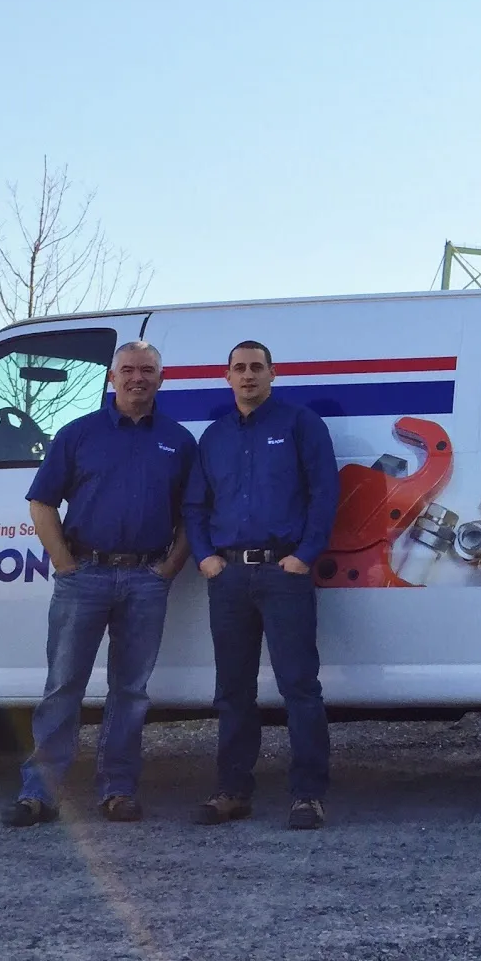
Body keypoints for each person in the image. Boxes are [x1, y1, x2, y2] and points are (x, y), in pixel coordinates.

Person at [3, 339, 195, 827]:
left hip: (146, 579)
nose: (137, 378)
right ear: (112, 378)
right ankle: (39, 793)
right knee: (63, 686)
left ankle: (118, 789)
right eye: (127, 369)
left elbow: (194, 514)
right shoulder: (78, 434)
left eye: (146, 370)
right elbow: (42, 503)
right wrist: (65, 565)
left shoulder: (178, 441)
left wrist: (169, 568)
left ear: (161, 379)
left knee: (130, 690)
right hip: (84, 575)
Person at [184, 339, 338, 829]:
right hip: (228, 577)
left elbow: (325, 494)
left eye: (256, 367)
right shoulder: (214, 437)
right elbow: (195, 505)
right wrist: (206, 557)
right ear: (226, 376)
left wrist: (304, 556)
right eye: (239, 368)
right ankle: (232, 790)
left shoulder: (300, 424)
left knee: (299, 687)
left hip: (283, 574)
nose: (248, 375)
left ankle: (308, 796)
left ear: (274, 373)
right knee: (232, 690)